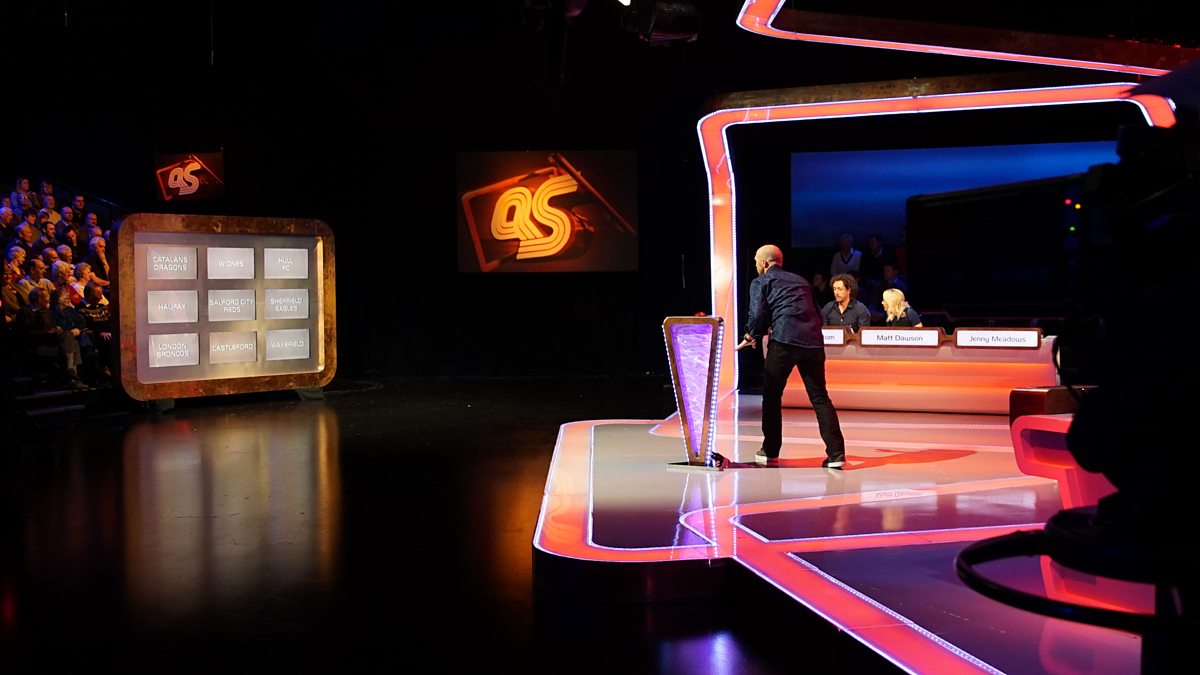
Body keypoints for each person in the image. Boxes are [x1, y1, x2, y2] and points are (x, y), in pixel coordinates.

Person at [739, 244, 847, 469]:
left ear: (764, 263)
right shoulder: (801, 281)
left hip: (784, 340)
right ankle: (836, 454)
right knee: (820, 397)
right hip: (813, 342)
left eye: (757, 261)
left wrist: (750, 335)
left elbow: (757, 313)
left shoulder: (761, 281)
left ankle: (770, 451)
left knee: (772, 396)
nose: (756, 265)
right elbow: (817, 313)